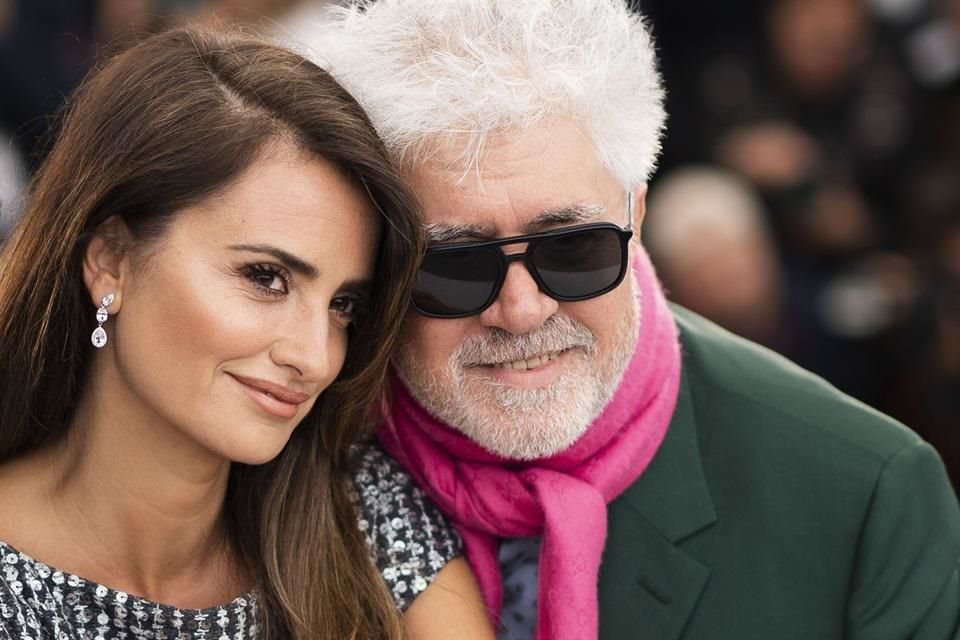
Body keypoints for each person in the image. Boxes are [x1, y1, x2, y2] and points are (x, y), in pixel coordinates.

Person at [306, 1, 960, 639]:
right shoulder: (292, 463)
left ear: (636, 218)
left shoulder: (867, 493)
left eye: (572, 250)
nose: (521, 311)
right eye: (453, 266)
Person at [0, 27, 492, 640]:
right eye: (266, 278)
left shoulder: (358, 514)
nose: (314, 357)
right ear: (111, 261)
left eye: (343, 306)